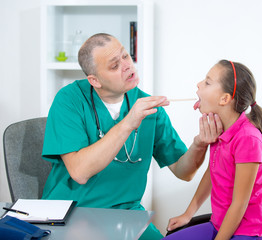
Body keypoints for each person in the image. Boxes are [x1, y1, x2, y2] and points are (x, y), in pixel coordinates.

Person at [40, 33, 223, 239]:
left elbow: (183, 171)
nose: (127, 66)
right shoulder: (69, 100)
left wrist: (199, 144)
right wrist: (128, 123)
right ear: (94, 80)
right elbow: (80, 172)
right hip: (72, 213)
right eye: (114, 65)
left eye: (125, 56)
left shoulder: (148, 106)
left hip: (125, 216)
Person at [164, 60, 262, 240]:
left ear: (224, 99)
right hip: (221, 224)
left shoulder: (248, 138)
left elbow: (240, 204)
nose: (199, 84)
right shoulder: (219, 130)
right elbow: (213, 172)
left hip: (252, 230)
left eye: (207, 82)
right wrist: (188, 214)